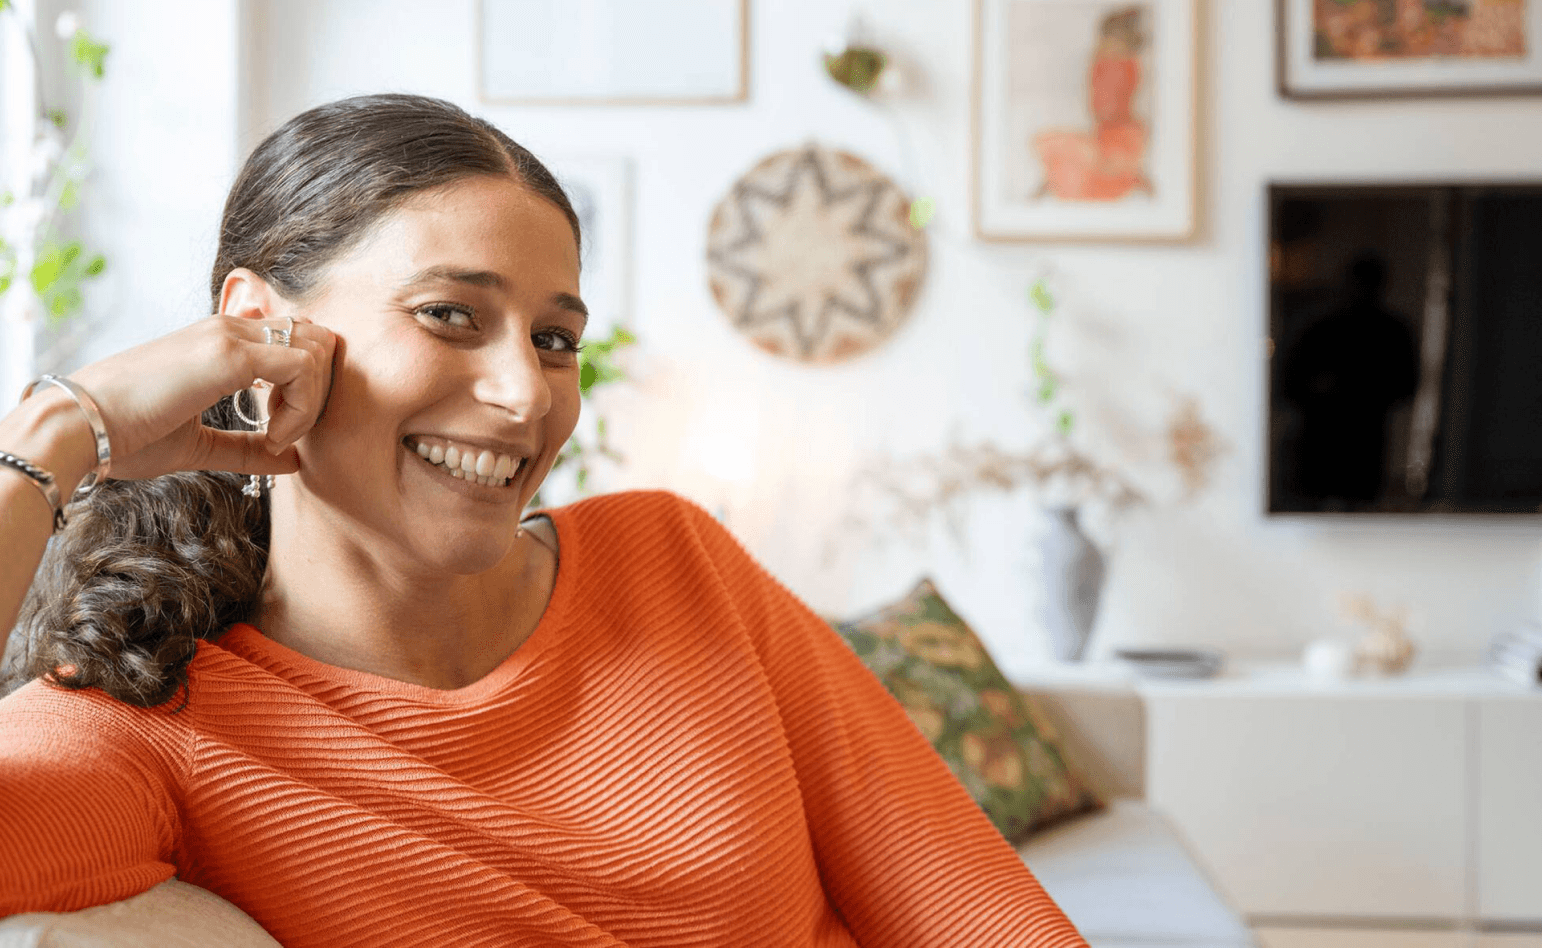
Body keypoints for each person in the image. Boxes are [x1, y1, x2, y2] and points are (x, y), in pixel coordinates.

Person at [0, 94, 1086, 947]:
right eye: (450, 315)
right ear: (257, 331)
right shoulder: (143, 730)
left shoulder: (672, 559)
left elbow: (980, 915)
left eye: (555, 339)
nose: (527, 396)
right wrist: (57, 434)